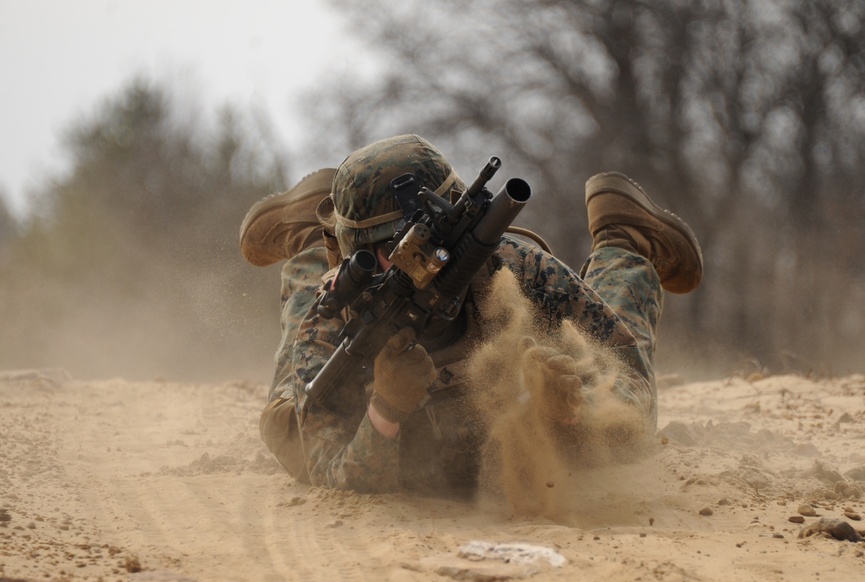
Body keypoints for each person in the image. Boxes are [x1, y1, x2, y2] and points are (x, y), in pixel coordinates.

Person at [239, 134, 702, 496]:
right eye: (393, 248)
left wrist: (580, 407)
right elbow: (332, 473)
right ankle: (308, 237)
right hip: (393, 444)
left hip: (502, 450)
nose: (423, 259)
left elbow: (627, 374)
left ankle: (624, 238)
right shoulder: (331, 321)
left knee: (625, 437)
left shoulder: (511, 264)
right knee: (285, 431)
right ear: (355, 255)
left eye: (430, 233)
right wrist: (385, 410)